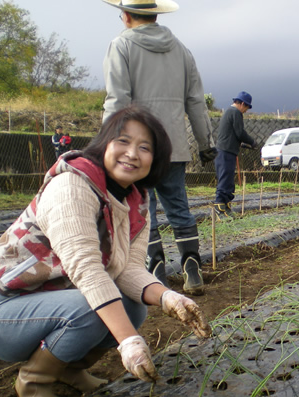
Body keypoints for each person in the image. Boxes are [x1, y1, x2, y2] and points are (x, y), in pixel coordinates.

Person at [0, 106, 212, 397]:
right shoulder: (72, 186)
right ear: (104, 144)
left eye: (145, 147)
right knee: (92, 310)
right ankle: (33, 381)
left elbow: (129, 270)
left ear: (156, 158)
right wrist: (129, 343)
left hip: (51, 298)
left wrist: (168, 297)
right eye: (123, 141)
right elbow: (87, 270)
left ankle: (68, 369)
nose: (132, 154)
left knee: (133, 306)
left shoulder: (136, 201)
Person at [102, 0, 216, 296]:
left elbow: (117, 100)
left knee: (143, 208)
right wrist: (206, 144)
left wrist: (107, 143)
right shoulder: (181, 50)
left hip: (138, 149)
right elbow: (196, 102)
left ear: (126, 16)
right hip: (174, 146)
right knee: (179, 207)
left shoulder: (121, 46)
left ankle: (155, 270)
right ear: (156, 16)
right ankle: (192, 267)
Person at [213, 91, 255, 219]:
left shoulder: (229, 112)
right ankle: (219, 208)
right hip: (225, 152)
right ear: (242, 103)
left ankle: (226, 207)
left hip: (225, 151)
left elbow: (233, 134)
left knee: (228, 181)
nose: (246, 111)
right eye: (246, 107)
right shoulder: (235, 112)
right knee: (225, 180)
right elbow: (239, 132)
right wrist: (252, 142)